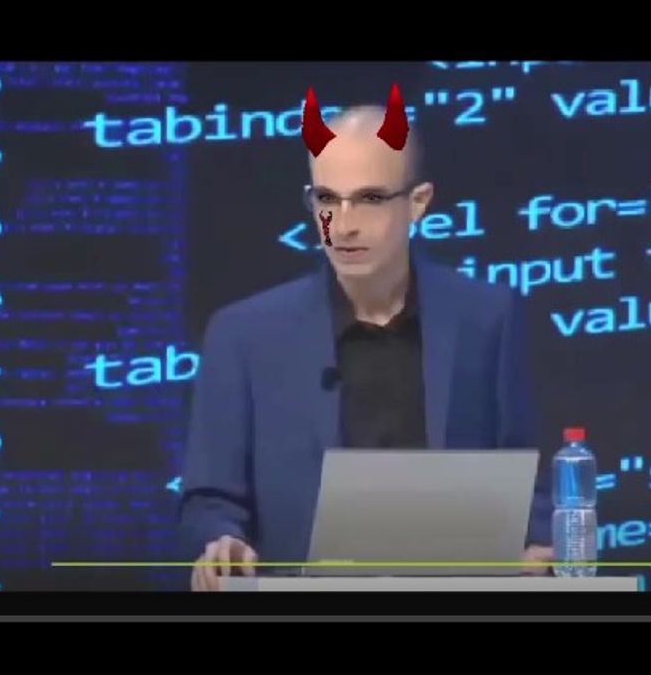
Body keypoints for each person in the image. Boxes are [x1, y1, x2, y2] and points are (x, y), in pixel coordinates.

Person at [175, 89, 552, 591]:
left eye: (370, 199)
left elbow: (528, 483)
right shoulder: (243, 336)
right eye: (327, 200)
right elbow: (208, 501)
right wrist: (223, 541)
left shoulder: (486, 319)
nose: (344, 225)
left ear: (418, 203)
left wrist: (539, 550)